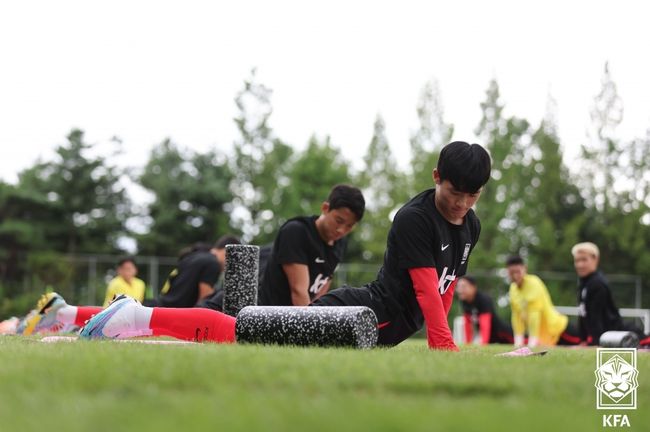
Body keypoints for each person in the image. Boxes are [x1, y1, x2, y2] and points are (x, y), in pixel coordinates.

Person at [74, 141, 492, 350]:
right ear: (437, 176)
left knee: (244, 331)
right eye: (456, 192)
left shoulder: (468, 224)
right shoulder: (415, 218)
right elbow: (423, 288)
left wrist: (441, 338)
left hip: (381, 323)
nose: (462, 204)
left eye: (472, 196)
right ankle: (133, 315)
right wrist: (443, 344)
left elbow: (446, 285)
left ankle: (117, 317)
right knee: (239, 332)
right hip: (365, 314)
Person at [257, 184, 365, 306]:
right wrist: (314, 323)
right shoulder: (296, 232)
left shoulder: (340, 242)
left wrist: (317, 310)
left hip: (300, 314)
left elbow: (324, 283)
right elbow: (298, 291)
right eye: (339, 221)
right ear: (325, 208)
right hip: (271, 314)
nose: (341, 230)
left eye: (349, 226)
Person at [572, 242, 650, 346]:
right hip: (605, 336)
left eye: (584, 260)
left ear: (595, 259)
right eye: (577, 260)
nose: (580, 264)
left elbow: (597, 319)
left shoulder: (597, 284)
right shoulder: (583, 284)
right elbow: (583, 315)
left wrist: (595, 344)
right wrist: (582, 340)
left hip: (618, 336)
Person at [507, 255, 579, 347]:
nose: (515, 276)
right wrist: (518, 341)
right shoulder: (513, 289)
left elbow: (534, 314)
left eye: (518, 272)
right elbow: (516, 316)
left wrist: (532, 342)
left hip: (558, 330)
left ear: (525, 269)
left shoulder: (534, 283)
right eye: (512, 273)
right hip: (544, 338)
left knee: (588, 344)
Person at [157, 235, 240, 308]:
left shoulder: (196, 255)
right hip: (175, 313)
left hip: (163, 307)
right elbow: (204, 303)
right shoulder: (213, 263)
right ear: (227, 251)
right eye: (234, 258)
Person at [456, 275, 513, 345]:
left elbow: (485, 323)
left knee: (523, 340)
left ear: (473, 287)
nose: (459, 290)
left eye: (463, 287)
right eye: (458, 287)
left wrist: (483, 343)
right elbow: (467, 323)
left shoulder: (483, 299)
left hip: (500, 332)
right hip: (490, 337)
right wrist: (468, 344)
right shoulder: (464, 301)